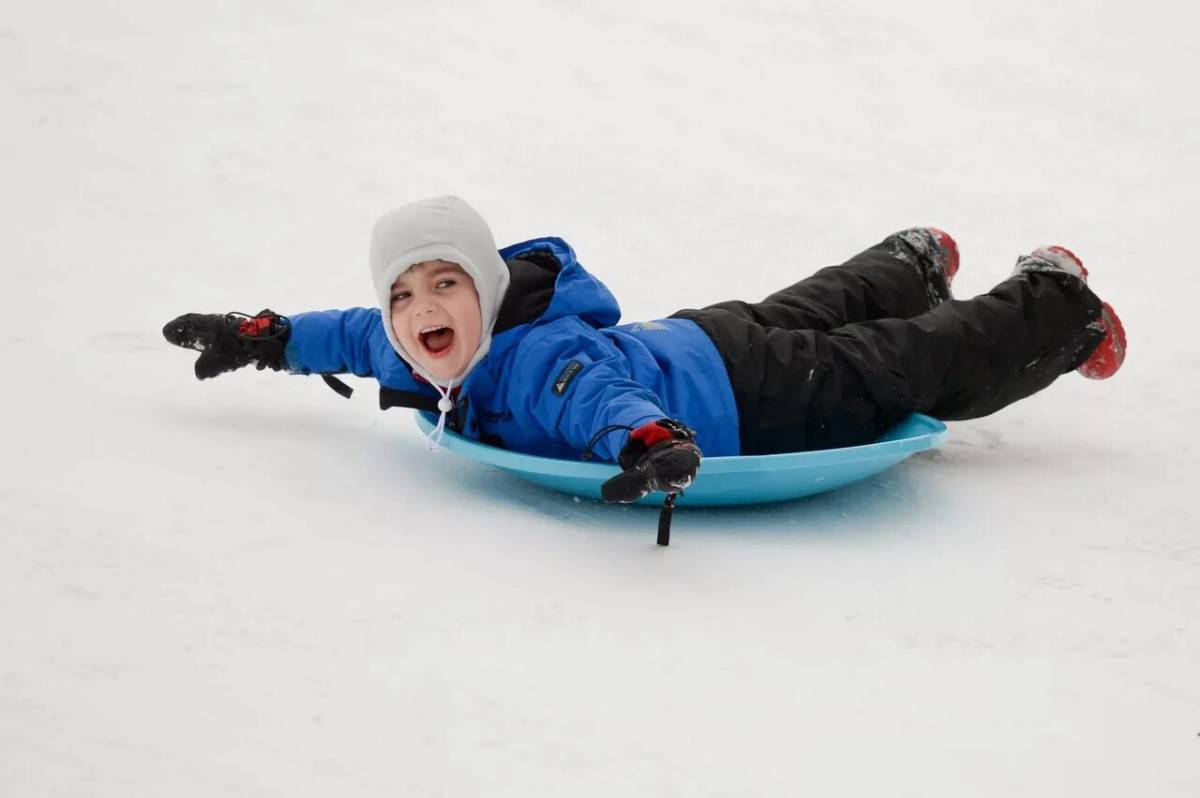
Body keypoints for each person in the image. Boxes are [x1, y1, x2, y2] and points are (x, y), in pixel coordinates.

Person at [163, 195, 1126, 506]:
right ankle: (908, 260)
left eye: (446, 284)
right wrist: (266, 337)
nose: (421, 311)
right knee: (818, 306)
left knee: (904, 363)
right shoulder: (416, 345)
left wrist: (647, 440)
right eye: (406, 294)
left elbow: (596, 399)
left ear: (489, 296)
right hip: (700, 336)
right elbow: (348, 333)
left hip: (747, 395)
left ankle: (1054, 303)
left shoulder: (536, 363)